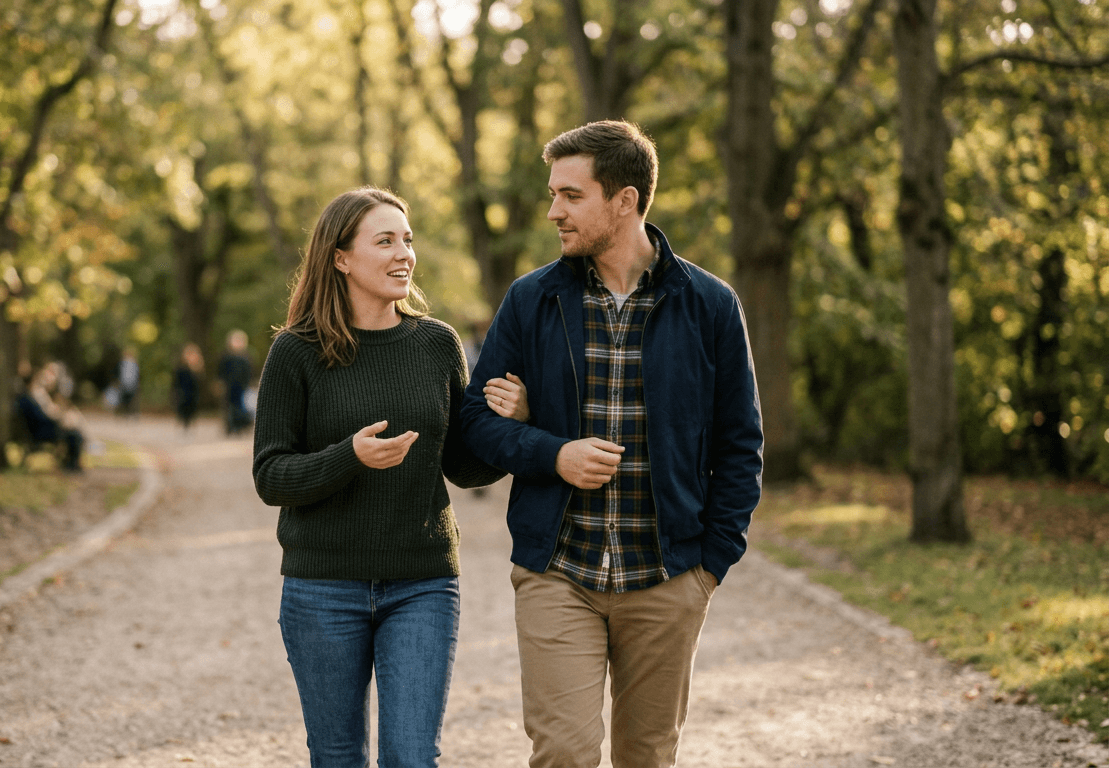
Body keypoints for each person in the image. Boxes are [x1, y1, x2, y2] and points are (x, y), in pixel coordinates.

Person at [461, 120, 764, 768]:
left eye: (571, 195)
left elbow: (741, 445)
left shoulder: (710, 304)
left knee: (646, 756)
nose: (553, 211)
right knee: (565, 752)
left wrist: (708, 567)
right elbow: (476, 422)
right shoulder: (531, 299)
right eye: (553, 194)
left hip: (666, 577)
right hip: (557, 571)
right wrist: (554, 453)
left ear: (623, 201)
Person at [252, 187, 511, 768]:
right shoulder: (296, 353)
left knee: (413, 757)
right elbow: (270, 476)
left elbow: (465, 467)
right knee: (338, 756)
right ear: (341, 258)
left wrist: (506, 426)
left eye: (408, 239)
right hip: (323, 587)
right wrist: (349, 456)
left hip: (421, 583)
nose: (405, 254)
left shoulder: (437, 344)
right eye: (386, 240)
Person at [15, 362, 86, 473]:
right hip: (40, 433)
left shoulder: (26, 397)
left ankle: (71, 462)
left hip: (38, 430)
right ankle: (72, 464)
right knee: (74, 433)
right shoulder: (29, 399)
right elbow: (41, 417)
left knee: (73, 430)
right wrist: (58, 419)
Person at [218, 329, 253, 435]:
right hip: (229, 385)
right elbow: (221, 371)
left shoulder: (246, 357)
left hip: (242, 386)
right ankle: (230, 426)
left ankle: (239, 426)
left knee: (240, 406)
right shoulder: (226, 357)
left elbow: (249, 372)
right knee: (228, 406)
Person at [172, 343, 204, 431]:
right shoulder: (181, 368)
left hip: (193, 394)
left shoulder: (197, 368)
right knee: (184, 409)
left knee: (192, 409)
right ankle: (184, 423)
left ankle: (189, 422)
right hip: (183, 393)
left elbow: (199, 383)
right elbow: (176, 382)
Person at [117, 348, 140, 416]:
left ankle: (130, 413)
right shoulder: (123, 363)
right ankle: (125, 413)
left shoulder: (132, 363)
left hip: (130, 383)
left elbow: (136, 374)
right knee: (125, 399)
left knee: (130, 399)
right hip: (126, 383)